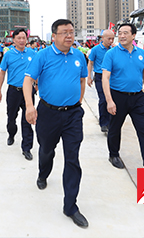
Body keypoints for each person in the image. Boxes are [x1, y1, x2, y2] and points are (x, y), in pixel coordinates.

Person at [23, 19, 89, 229]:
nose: (69, 36)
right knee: (46, 150)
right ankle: (43, 173)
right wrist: (29, 106)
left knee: (73, 159)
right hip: (48, 113)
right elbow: (28, 80)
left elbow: (82, 80)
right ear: (54, 36)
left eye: (71, 32)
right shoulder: (43, 55)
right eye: (64, 32)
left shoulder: (79, 56)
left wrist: (78, 101)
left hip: (73, 115)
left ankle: (70, 206)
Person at [101, 22, 144, 170]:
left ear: (133, 35)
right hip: (117, 96)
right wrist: (109, 101)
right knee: (115, 128)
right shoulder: (111, 54)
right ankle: (113, 154)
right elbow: (105, 78)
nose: (121, 36)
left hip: (138, 98)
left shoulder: (142, 54)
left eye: (125, 33)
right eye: (119, 33)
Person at [0, 28, 36, 160]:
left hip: (28, 92)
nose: (22, 40)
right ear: (13, 40)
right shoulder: (8, 54)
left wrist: (37, 85)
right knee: (11, 117)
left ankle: (27, 148)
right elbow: (2, 73)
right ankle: (11, 134)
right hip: (13, 91)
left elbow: (38, 71)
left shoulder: (32, 53)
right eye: (19, 38)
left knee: (28, 119)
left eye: (24, 38)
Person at [87, 30, 115, 134]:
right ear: (102, 38)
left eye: (113, 38)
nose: (111, 41)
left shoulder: (114, 49)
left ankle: (111, 122)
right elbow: (90, 63)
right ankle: (104, 123)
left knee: (112, 99)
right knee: (103, 99)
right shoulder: (95, 49)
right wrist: (89, 77)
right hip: (100, 76)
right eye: (109, 38)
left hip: (112, 77)